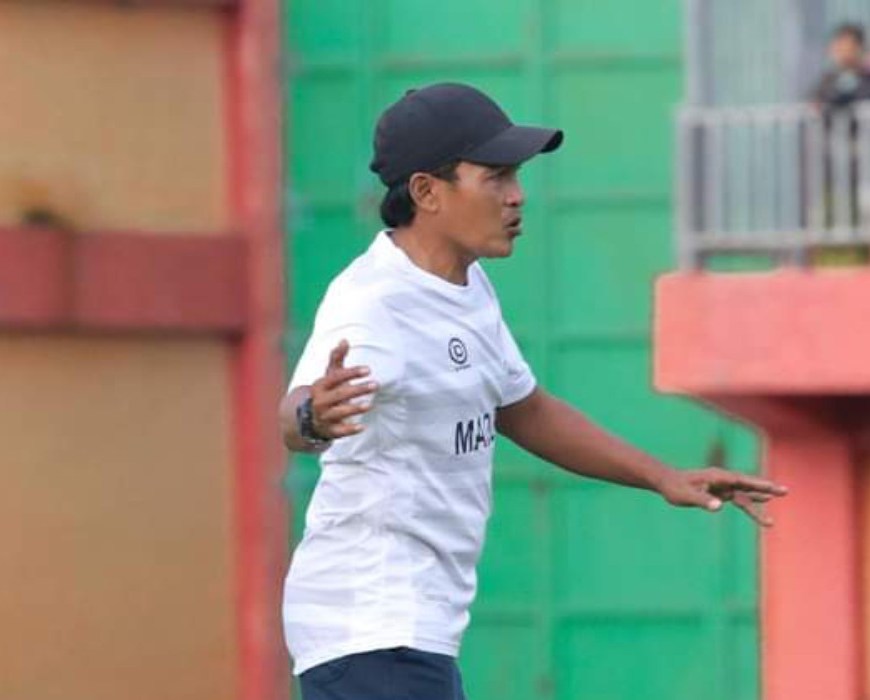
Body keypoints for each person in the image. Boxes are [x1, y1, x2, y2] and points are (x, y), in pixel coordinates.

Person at [279, 83, 788, 700]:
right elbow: (294, 414)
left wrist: (664, 477)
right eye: (495, 176)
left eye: (516, 175)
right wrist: (313, 417)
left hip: (411, 627)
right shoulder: (374, 304)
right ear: (427, 192)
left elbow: (524, 409)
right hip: (370, 622)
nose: (517, 194)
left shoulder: (469, 287)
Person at [811, 23, 870, 109]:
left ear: (859, 48)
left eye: (844, 46)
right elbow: (814, 105)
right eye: (837, 46)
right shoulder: (827, 81)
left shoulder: (866, 79)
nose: (838, 50)